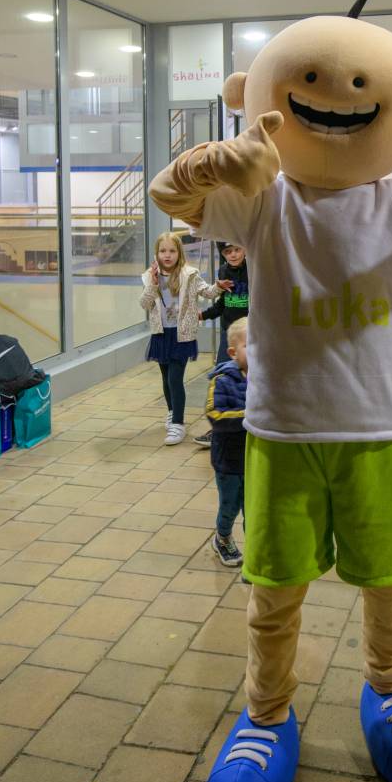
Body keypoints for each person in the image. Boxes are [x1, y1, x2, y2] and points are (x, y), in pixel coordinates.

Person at [150, 13, 392, 782]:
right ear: (253, 98)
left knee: (388, 581)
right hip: (281, 432)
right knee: (274, 589)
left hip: (379, 432)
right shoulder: (262, 201)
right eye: (314, 78)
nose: (341, 92)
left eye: (360, 82)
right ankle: (266, 711)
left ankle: (391, 685)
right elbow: (169, 197)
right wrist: (213, 159)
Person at [139, 231, 227, 446]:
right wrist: (152, 284)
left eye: (172, 251)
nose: (167, 255)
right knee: (165, 379)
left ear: (179, 253)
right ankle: (172, 412)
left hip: (182, 335)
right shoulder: (149, 276)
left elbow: (207, 292)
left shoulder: (190, 274)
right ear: (156, 253)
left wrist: (218, 287)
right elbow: (145, 304)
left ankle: (178, 423)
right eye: (163, 251)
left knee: (175, 379)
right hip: (161, 334)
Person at [195, 240, 250, 447]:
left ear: (245, 249)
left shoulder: (254, 270)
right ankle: (219, 428)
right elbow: (222, 304)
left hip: (250, 333)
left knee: (250, 377)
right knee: (223, 374)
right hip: (229, 333)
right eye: (228, 251)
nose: (233, 254)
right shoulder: (223, 271)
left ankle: (249, 423)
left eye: (237, 249)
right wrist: (203, 315)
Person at [205, 316, 249, 567]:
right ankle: (222, 537)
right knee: (230, 505)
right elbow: (215, 415)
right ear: (233, 352)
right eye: (250, 345)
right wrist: (250, 417)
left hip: (255, 458)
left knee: (253, 508)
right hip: (228, 461)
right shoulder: (222, 380)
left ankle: (256, 550)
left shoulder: (266, 380)